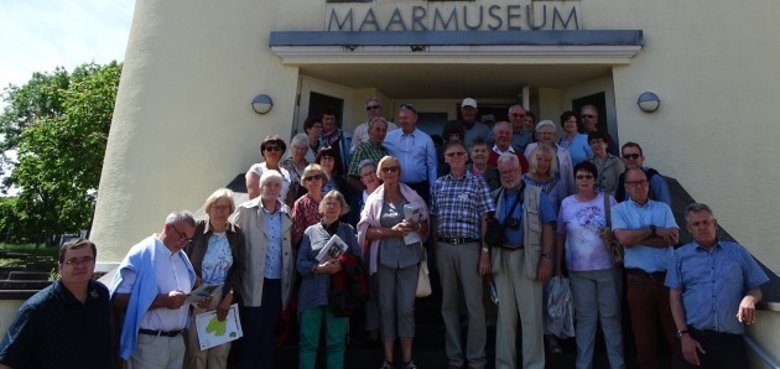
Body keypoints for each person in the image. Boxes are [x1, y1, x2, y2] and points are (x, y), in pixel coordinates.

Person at [666, 203, 769, 369]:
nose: (702, 227)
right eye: (696, 224)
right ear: (689, 229)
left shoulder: (737, 252)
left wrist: (750, 299)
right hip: (696, 340)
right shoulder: (679, 256)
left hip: (730, 343)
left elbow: (756, 287)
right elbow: (674, 297)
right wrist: (684, 335)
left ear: (715, 224)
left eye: (706, 222)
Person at [357, 156, 429, 369]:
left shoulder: (413, 197)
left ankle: (407, 359)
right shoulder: (373, 200)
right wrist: (392, 231)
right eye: (385, 170)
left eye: (394, 169)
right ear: (380, 174)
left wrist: (417, 227)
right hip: (384, 261)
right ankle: (388, 359)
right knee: (386, 308)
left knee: (406, 308)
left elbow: (426, 227)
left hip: (409, 260)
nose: (389, 173)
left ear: (399, 172)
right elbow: (365, 232)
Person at [431, 140, 494, 369]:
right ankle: (455, 358)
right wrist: (436, 249)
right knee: (448, 304)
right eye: (451, 154)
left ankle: (476, 359)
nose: (456, 157)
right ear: (445, 158)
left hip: (470, 248)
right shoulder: (438, 185)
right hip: (445, 248)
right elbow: (434, 218)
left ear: (466, 156)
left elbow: (486, 219)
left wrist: (485, 251)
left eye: (459, 153)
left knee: (474, 305)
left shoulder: (478, 183)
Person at [555, 161, 624, 369]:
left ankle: (617, 364)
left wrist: (610, 233)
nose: (584, 180)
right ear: (574, 180)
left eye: (588, 177)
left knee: (611, 318)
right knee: (585, 320)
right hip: (578, 271)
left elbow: (620, 230)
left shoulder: (608, 200)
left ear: (595, 180)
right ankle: (583, 364)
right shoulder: (567, 203)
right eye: (580, 177)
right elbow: (560, 235)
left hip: (607, 269)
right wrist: (558, 266)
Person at [0, 239, 109, 369]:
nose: (80, 266)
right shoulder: (38, 308)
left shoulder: (101, 294)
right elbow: (6, 362)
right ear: (60, 267)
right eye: (72, 261)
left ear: (94, 263)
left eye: (86, 259)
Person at [491, 153, 556, 369]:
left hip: (528, 258)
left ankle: (534, 365)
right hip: (501, 259)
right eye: (504, 172)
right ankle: (504, 365)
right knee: (505, 318)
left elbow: (548, 227)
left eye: (512, 171)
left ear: (520, 170)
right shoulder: (494, 196)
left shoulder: (538, 195)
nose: (508, 175)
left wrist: (546, 259)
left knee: (531, 317)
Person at [612, 167, 681, 369]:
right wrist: (654, 230)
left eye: (642, 182)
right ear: (626, 187)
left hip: (668, 281)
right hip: (638, 281)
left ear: (648, 184)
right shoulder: (619, 210)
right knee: (644, 340)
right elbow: (623, 239)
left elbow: (673, 240)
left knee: (676, 335)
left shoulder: (663, 209)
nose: (639, 186)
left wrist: (636, 238)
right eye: (633, 183)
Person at [110, 211, 197, 368]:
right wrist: (162, 301)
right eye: (182, 236)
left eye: (188, 239)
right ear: (168, 227)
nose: (183, 243)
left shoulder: (182, 258)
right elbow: (118, 298)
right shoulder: (141, 253)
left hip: (177, 341)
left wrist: (196, 299)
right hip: (149, 343)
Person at [232, 171, 295, 369]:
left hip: (276, 279)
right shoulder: (245, 210)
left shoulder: (286, 212)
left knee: (268, 331)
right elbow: (233, 241)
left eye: (277, 185)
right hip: (253, 280)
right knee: (251, 330)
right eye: (268, 184)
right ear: (260, 187)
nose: (272, 188)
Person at [296, 190, 362, 369]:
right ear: (322, 207)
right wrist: (318, 268)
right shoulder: (310, 232)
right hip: (312, 295)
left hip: (339, 295)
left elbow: (358, 259)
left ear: (342, 209)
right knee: (308, 343)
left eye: (336, 203)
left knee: (336, 343)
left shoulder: (348, 231)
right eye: (328, 203)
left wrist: (342, 264)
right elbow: (300, 263)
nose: (331, 206)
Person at [183, 189, 244, 369]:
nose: (220, 211)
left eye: (224, 207)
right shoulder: (197, 230)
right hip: (199, 296)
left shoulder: (236, 234)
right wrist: (196, 289)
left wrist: (229, 297)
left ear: (230, 210)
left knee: (220, 355)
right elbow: (183, 262)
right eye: (215, 207)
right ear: (208, 209)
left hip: (224, 297)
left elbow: (239, 269)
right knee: (197, 354)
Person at [383, 103, 437, 204]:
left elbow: (432, 166)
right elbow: (376, 146)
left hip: (420, 187)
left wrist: (432, 190)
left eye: (406, 118)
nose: (403, 121)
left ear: (415, 118)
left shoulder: (426, 139)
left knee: (421, 217)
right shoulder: (389, 137)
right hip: (397, 187)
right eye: (401, 118)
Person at [524, 120, 575, 196]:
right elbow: (526, 169)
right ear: (537, 135)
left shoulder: (564, 152)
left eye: (550, 133)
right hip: (534, 190)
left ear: (554, 135)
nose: (547, 136)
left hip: (558, 192)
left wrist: (572, 194)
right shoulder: (530, 148)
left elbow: (569, 176)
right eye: (544, 133)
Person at [615, 142, 671, 206]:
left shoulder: (654, 178)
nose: (631, 159)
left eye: (635, 156)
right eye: (627, 156)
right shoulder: (621, 178)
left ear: (642, 158)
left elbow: (665, 207)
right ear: (622, 160)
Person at [347, 116, 390, 192]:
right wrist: (367, 193)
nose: (381, 133)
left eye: (384, 130)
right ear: (369, 132)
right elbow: (351, 179)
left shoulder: (385, 151)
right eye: (378, 130)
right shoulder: (361, 150)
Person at [249, 135, 294, 205]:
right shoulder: (257, 169)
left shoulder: (286, 173)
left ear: (281, 152)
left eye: (276, 149)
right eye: (269, 149)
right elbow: (254, 197)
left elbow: (289, 200)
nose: (273, 151)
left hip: (281, 213)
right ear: (263, 152)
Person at [523, 143, 569, 211]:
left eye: (546, 160)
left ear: (551, 163)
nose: (542, 163)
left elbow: (563, 210)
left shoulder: (558, 183)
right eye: (539, 159)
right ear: (533, 160)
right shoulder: (522, 181)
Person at [292, 164, 329, 246]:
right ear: (305, 183)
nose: (313, 180)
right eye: (309, 178)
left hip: (330, 246)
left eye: (317, 177)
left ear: (322, 179)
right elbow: (297, 234)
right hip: (309, 247)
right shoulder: (300, 204)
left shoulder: (329, 200)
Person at [587, 131, 624, 195]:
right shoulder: (587, 163)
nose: (595, 145)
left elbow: (621, 183)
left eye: (598, 141)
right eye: (593, 143)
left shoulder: (616, 161)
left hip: (613, 199)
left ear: (606, 144)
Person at [318, 107, 351, 177]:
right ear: (322, 120)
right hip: (319, 176)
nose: (329, 121)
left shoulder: (344, 137)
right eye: (327, 119)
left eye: (332, 119)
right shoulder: (317, 137)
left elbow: (349, 159)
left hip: (339, 178)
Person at [281, 133, 310, 200]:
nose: (300, 151)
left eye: (303, 149)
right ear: (291, 148)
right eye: (297, 148)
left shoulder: (310, 167)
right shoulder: (284, 165)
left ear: (307, 150)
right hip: (287, 201)